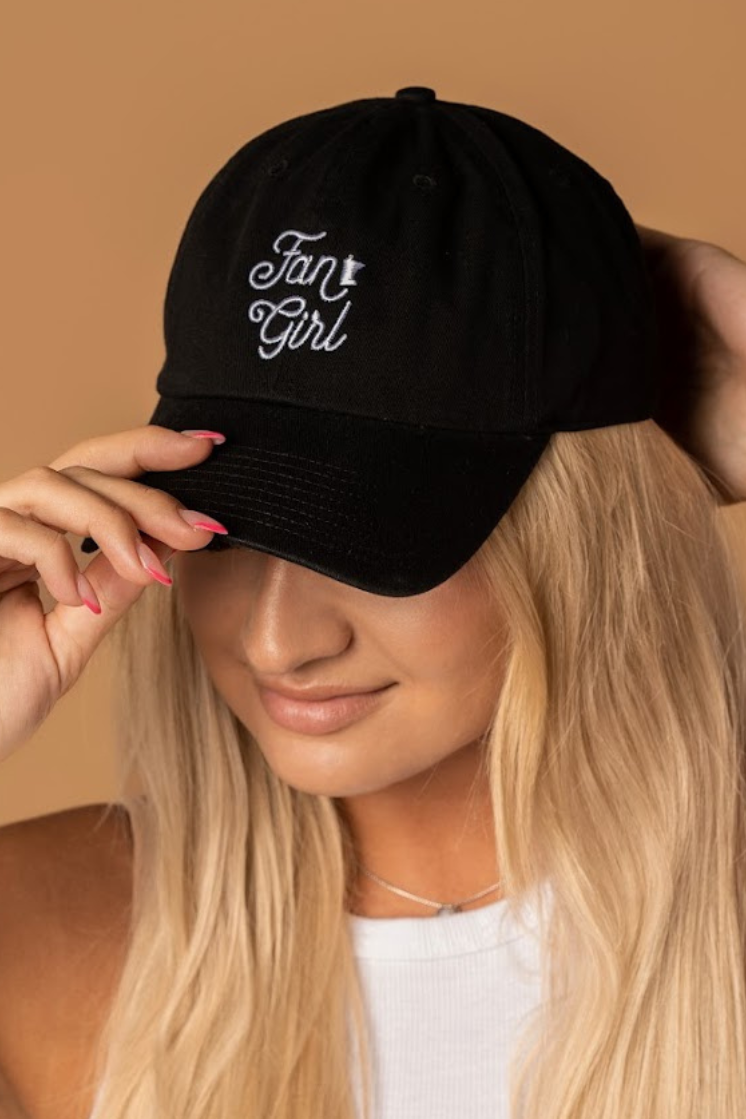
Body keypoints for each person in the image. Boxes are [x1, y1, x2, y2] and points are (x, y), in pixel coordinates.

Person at [0, 87, 745, 1119]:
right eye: (223, 531)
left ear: (578, 545)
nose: (277, 640)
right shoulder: (35, 940)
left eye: (372, 546)